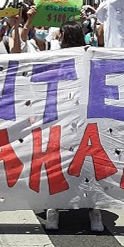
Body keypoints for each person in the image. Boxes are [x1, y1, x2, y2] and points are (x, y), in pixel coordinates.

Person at [45, 20, 104, 233]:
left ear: (64, 35)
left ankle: (60, 211)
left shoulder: (89, 54)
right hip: (67, 115)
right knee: (82, 164)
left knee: (64, 164)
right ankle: (87, 213)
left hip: (77, 116)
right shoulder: (56, 55)